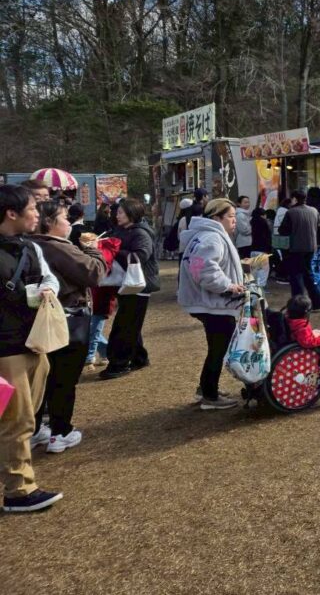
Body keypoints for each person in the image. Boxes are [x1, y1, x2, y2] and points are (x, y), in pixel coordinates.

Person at [0, 185, 62, 513]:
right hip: (6, 349)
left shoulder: (30, 247)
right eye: (32, 208)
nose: (38, 213)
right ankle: (19, 491)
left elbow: (50, 279)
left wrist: (48, 290)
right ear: (11, 213)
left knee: (25, 416)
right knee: (17, 420)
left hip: (34, 342)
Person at [29, 202, 107, 453]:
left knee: (41, 378)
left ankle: (35, 430)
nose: (69, 223)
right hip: (67, 319)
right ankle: (60, 432)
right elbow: (94, 273)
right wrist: (94, 251)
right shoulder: (58, 247)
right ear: (49, 222)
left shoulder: (26, 245)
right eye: (64, 218)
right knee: (63, 379)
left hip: (34, 323)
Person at [177, 198, 244, 410]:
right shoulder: (212, 238)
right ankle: (210, 395)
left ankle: (206, 388)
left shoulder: (206, 235)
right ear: (217, 218)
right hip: (213, 304)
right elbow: (203, 270)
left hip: (210, 303)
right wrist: (228, 286)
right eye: (231, 216)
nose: (234, 220)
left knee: (216, 347)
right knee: (218, 349)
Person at [99, 198, 160, 380]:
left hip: (138, 285)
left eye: (120, 212)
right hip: (126, 283)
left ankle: (119, 364)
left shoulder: (141, 233)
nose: (116, 215)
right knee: (130, 323)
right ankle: (139, 358)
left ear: (131, 214)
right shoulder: (121, 230)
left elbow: (140, 256)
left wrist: (114, 251)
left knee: (125, 325)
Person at [278, 190, 320, 310]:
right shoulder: (314, 211)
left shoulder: (291, 212)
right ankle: (317, 302)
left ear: (295, 199)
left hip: (295, 248)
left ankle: (299, 305)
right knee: (308, 274)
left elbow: (283, 230)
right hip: (311, 247)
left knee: (296, 275)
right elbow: (319, 224)